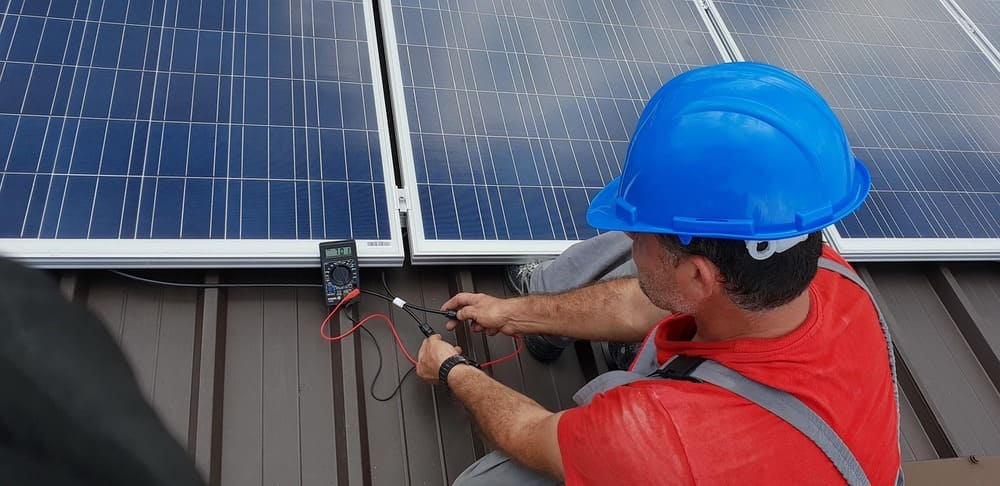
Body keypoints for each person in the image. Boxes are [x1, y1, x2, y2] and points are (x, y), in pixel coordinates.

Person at [414, 62, 902, 485]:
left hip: (691, 448)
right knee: (657, 264)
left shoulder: (656, 435)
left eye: (640, 236)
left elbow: (529, 434)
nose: (629, 240)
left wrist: (452, 369)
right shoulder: (825, 274)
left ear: (698, 279)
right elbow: (638, 300)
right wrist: (513, 315)